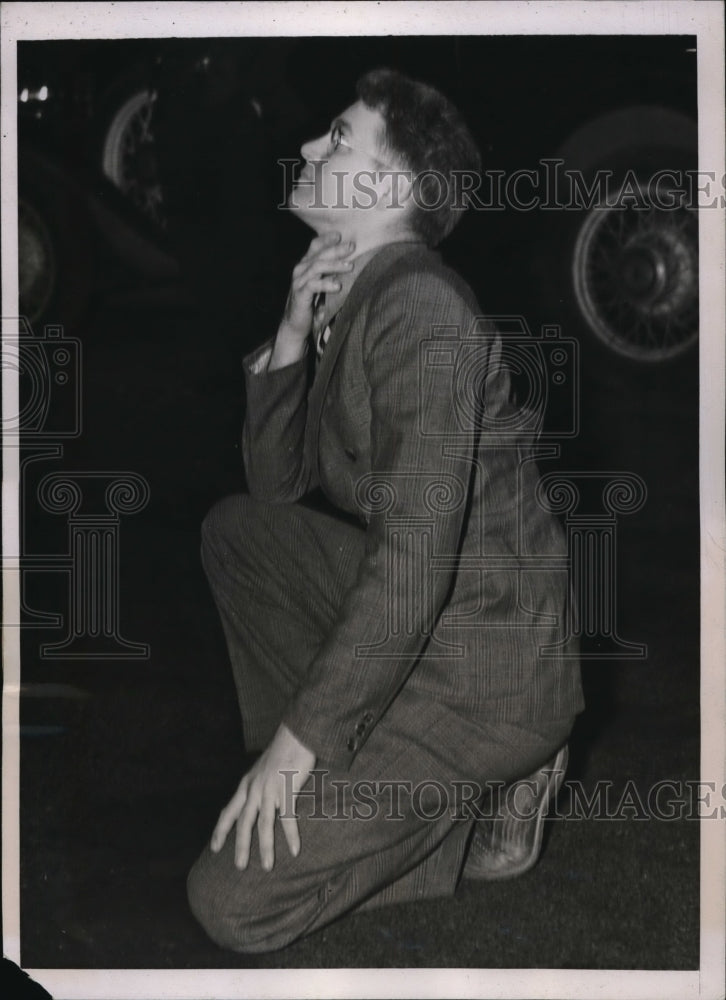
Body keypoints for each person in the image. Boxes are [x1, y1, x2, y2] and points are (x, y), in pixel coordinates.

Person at [188, 67, 584, 953]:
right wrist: (291, 339)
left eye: (336, 138)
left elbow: (408, 565)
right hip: (440, 619)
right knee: (239, 535)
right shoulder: (360, 295)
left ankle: (486, 769)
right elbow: (276, 494)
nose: (305, 148)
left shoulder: (421, 310)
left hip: (487, 663)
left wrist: (297, 747)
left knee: (232, 903)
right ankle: (364, 774)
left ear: (392, 186)